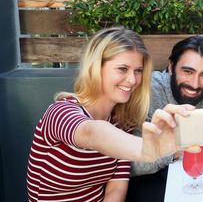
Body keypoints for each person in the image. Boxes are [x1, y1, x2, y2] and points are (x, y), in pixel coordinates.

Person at [25, 27, 193, 202]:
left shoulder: (122, 123)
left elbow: (116, 188)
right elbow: (91, 133)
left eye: (138, 70)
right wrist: (147, 148)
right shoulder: (60, 112)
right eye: (122, 69)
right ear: (96, 67)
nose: (133, 80)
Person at [127, 36, 203, 201]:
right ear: (171, 67)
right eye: (188, 71)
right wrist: (175, 151)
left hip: (188, 175)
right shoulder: (148, 92)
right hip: (145, 183)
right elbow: (127, 166)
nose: (195, 84)